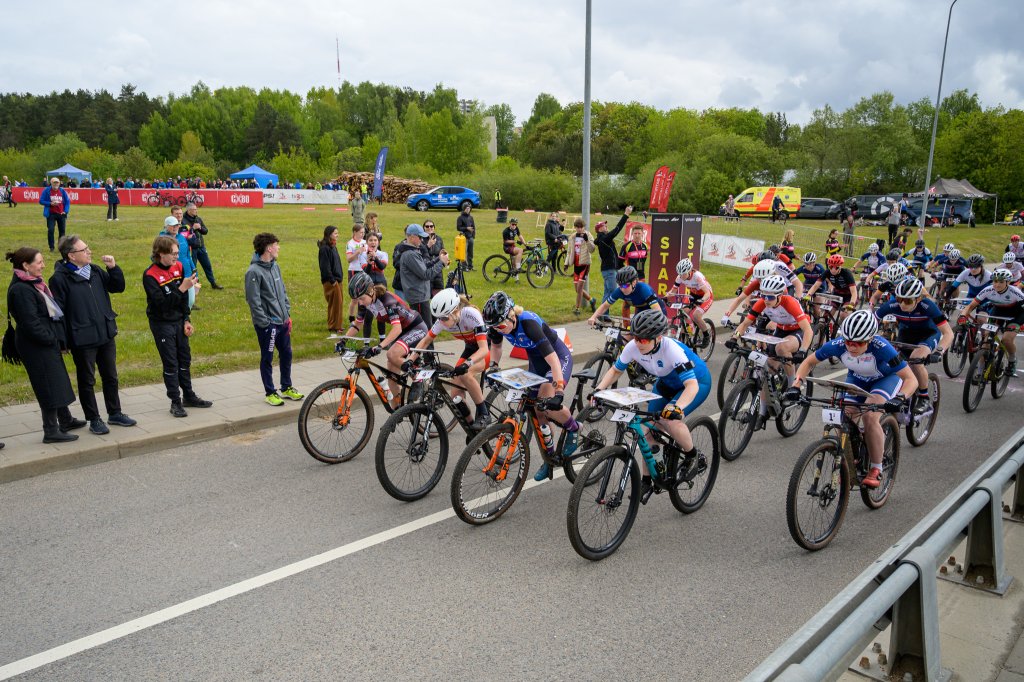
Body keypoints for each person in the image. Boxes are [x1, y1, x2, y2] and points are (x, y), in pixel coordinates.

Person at [791, 310, 918, 488]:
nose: (851, 347)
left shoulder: (882, 348)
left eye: (858, 343)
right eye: (848, 342)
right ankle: (852, 458)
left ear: (870, 339)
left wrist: (900, 397)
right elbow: (809, 362)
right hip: (857, 379)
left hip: (885, 380)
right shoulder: (837, 344)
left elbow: (911, 379)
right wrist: (796, 385)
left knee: (869, 416)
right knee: (844, 416)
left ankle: (876, 467)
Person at [591, 307, 711, 495]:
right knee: (649, 430)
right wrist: (599, 390)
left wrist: (677, 407)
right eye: (635, 337)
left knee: (671, 420)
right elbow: (616, 370)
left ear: (659, 338)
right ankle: (648, 480)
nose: (638, 343)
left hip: (696, 383)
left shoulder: (672, 350)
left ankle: (692, 455)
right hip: (666, 383)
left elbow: (691, 385)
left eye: (644, 339)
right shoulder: (633, 346)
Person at [483, 291, 579, 481]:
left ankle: (574, 428)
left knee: (545, 401)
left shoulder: (528, 324)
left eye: (501, 326)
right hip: (536, 362)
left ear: (511, 315)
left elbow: (553, 360)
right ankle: (549, 458)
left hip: (558, 358)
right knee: (538, 411)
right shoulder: (498, 325)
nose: (499, 330)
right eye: (495, 327)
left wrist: (558, 390)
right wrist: (493, 367)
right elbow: (496, 346)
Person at [49, 235, 136, 435]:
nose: (89, 252)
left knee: (111, 376)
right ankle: (94, 418)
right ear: (71, 256)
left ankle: (115, 412)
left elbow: (117, 287)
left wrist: (113, 268)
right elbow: (58, 313)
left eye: (88, 247)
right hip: (82, 338)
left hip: (105, 332)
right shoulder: (59, 279)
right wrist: (63, 341)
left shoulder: (95, 270)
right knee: (87, 380)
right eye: (84, 249)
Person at [6, 246, 85, 443]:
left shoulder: (32, 283)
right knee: (47, 385)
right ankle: (50, 430)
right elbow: (30, 323)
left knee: (56, 381)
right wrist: (51, 339)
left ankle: (65, 419)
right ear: (26, 265)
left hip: (44, 342)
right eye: (39, 262)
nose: (43, 265)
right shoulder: (21, 290)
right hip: (36, 345)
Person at [143, 236, 211, 417]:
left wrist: (187, 319)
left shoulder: (179, 267)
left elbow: (183, 300)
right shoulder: (150, 275)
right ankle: (175, 401)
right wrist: (182, 288)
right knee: (171, 363)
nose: (176, 257)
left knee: (184, 360)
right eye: (173, 254)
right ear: (160, 254)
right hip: (162, 323)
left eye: (177, 253)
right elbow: (162, 305)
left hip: (179, 321)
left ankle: (189, 396)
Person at [343, 272, 429, 409]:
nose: (360, 302)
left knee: (392, 354)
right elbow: (357, 324)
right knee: (391, 375)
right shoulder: (366, 302)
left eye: (361, 298)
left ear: (371, 291)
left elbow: (397, 329)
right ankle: (398, 410)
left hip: (416, 327)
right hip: (404, 330)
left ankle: (418, 376)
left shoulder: (388, 300)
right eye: (357, 299)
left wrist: (379, 346)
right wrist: (343, 340)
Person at [408, 289, 490, 427]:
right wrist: (410, 359)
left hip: (485, 349)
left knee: (466, 373)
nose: (441, 322)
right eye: (438, 318)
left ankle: (484, 413)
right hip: (470, 348)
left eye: (445, 318)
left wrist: (467, 364)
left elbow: (483, 349)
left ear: (456, 311)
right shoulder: (443, 319)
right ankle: (471, 427)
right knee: (455, 396)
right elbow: (425, 341)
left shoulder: (470, 314)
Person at [875, 277, 953, 413]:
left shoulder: (928, 306)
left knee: (916, 359)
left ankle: (924, 397)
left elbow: (948, 333)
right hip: (906, 334)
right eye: (899, 299)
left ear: (918, 299)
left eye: (908, 300)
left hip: (928, 334)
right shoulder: (892, 305)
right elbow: (871, 321)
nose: (902, 304)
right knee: (894, 363)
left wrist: (939, 351)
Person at [245, 233, 304, 407]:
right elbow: (253, 302)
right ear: (269, 248)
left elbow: (283, 292)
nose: (279, 248)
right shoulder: (253, 272)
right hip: (268, 325)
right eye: (276, 245)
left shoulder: (275, 266)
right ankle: (270, 392)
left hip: (283, 322)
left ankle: (286, 387)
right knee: (267, 358)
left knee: (287, 354)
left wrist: (287, 315)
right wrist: (265, 323)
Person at [959, 269, 1024, 375]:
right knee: (986, 341)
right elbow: (971, 306)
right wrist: (962, 316)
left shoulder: (1015, 291)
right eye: (995, 281)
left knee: (1007, 339)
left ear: (1008, 282)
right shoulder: (988, 290)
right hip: (998, 312)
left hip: (1016, 315)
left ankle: (1012, 360)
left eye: (1001, 282)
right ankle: (980, 372)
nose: (997, 284)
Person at [399, 223, 449, 330]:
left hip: (420, 296)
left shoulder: (413, 251)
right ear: (412, 237)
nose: (422, 240)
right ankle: (427, 347)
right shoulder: (410, 254)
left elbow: (424, 266)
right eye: (420, 237)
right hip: (418, 298)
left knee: (424, 328)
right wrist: (442, 263)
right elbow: (426, 274)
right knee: (425, 329)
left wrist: (438, 259)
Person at [595, 206, 632, 309]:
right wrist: (626, 215)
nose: (606, 227)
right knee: (612, 292)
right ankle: (602, 315)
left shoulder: (603, 239)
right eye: (604, 226)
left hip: (610, 269)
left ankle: (603, 315)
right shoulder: (604, 238)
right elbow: (617, 229)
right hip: (609, 270)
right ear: (599, 229)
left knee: (607, 293)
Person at [670, 258, 714, 342]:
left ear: (689, 271)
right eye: (679, 274)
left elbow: (707, 293)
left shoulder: (697, 277)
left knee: (696, 315)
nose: (681, 276)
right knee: (683, 312)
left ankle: (706, 336)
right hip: (693, 295)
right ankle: (688, 334)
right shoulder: (679, 277)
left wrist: (701, 300)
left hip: (705, 296)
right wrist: (665, 298)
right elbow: (673, 291)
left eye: (683, 274)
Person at [159, 214, 198, 309]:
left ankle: (185, 317)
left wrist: (194, 270)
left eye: (177, 225)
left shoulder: (181, 237)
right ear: (166, 226)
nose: (175, 227)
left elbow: (188, 255)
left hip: (187, 273)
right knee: (175, 300)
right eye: (172, 225)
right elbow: (155, 257)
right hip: (172, 276)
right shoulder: (162, 240)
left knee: (191, 300)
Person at [182, 203, 222, 289]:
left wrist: (199, 228)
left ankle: (213, 283)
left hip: (201, 247)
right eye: (194, 209)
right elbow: (183, 234)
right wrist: (193, 228)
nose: (196, 211)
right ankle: (195, 287)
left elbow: (206, 231)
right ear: (188, 210)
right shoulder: (183, 221)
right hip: (191, 248)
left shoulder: (198, 219)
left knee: (207, 265)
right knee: (193, 268)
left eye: (196, 209)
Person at [566, 218, 597, 315]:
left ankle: (577, 309)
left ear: (584, 227)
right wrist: (566, 263)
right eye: (577, 227)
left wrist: (587, 240)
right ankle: (591, 300)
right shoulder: (572, 237)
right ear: (575, 227)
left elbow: (592, 249)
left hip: (585, 264)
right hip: (576, 264)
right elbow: (569, 251)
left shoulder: (588, 235)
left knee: (579, 288)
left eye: (581, 227)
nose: (579, 229)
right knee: (577, 289)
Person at [318, 225, 346, 333]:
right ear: (329, 234)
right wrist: (332, 280)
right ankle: (333, 326)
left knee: (338, 303)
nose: (337, 235)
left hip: (337, 280)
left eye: (337, 233)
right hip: (332, 281)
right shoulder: (325, 249)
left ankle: (337, 324)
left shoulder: (333, 246)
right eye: (335, 233)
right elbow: (325, 267)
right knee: (334, 304)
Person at [362, 231, 389, 340]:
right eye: (370, 240)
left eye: (375, 240)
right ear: (367, 242)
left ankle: (382, 339)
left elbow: (382, 267)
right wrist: (369, 262)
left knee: (381, 313)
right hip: (369, 286)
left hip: (381, 285)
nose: (373, 242)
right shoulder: (362, 255)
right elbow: (366, 272)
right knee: (368, 314)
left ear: (378, 242)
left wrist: (375, 258)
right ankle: (366, 342)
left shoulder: (383, 254)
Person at [39, 177, 71, 252]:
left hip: (61, 213)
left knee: (62, 231)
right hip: (51, 214)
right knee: (50, 230)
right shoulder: (47, 190)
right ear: (51, 183)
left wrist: (65, 211)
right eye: (54, 183)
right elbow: (41, 201)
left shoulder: (62, 191)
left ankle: (61, 247)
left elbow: (67, 202)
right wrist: (50, 203)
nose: (56, 184)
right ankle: (51, 247)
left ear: (59, 183)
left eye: (57, 183)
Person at [345, 224, 368, 325]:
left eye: (363, 232)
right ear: (355, 232)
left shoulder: (365, 242)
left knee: (363, 297)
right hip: (354, 271)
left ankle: (361, 317)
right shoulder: (350, 244)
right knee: (355, 298)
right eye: (361, 233)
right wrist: (358, 252)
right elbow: (349, 259)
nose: (363, 234)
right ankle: (351, 317)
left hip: (364, 270)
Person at [422, 220, 444, 294]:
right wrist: (428, 245)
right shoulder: (421, 239)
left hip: (438, 270)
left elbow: (442, 252)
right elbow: (420, 253)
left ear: (434, 228)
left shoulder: (439, 239)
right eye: (427, 226)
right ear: (424, 228)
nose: (429, 228)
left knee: (438, 294)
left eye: (431, 226)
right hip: (427, 269)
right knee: (426, 294)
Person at [456, 204, 476, 270]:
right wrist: (467, 228)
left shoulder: (471, 217)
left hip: (471, 238)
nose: (468, 209)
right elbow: (458, 228)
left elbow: (473, 227)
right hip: (464, 238)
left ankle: (470, 266)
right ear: (464, 209)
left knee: (470, 253)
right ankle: (464, 267)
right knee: (463, 253)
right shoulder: (460, 217)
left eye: (469, 208)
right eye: (466, 208)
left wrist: (473, 236)